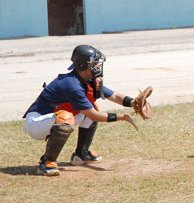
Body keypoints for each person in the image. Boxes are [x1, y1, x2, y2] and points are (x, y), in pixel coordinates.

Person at [22, 45, 146, 176]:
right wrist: (122, 117)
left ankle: (81, 154)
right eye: (93, 63)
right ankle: (47, 162)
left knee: (86, 110)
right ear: (81, 65)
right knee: (68, 116)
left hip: (53, 120)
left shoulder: (89, 81)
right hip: (36, 123)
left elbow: (114, 95)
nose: (98, 66)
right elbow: (94, 114)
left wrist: (133, 103)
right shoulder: (71, 84)